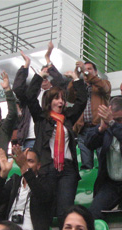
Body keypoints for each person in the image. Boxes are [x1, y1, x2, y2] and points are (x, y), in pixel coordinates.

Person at [23, 64, 87, 220]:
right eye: (57, 98)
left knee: (65, 212)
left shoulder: (68, 118)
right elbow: (30, 97)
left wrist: (76, 79)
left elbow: (82, 101)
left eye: (63, 99)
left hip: (68, 170)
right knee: (46, 210)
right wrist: (40, 76)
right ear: (49, 101)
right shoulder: (41, 118)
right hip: (47, 168)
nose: (61, 102)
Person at [0, 146, 56, 230]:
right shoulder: (14, 181)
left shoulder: (45, 182)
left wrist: (25, 169)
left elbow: (43, 196)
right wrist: (3, 174)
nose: (25, 163)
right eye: (23, 161)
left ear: (38, 166)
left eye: (30, 161)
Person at [13, 45, 64, 151]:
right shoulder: (31, 95)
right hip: (30, 139)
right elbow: (17, 88)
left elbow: (61, 82)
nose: (45, 76)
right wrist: (26, 66)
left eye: (47, 73)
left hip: (50, 137)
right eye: (43, 73)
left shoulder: (57, 96)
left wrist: (48, 61)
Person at [68, 61, 112, 170]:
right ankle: (89, 187)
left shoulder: (105, 83)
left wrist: (85, 72)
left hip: (100, 128)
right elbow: (69, 97)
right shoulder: (80, 88)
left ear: (96, 72)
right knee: (86, 165)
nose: (85, 71)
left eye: (89, 69)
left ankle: (103, 187)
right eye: (84, 69)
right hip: (83, 130)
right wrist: (75, 78)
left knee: (103, 164)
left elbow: (104, 87)